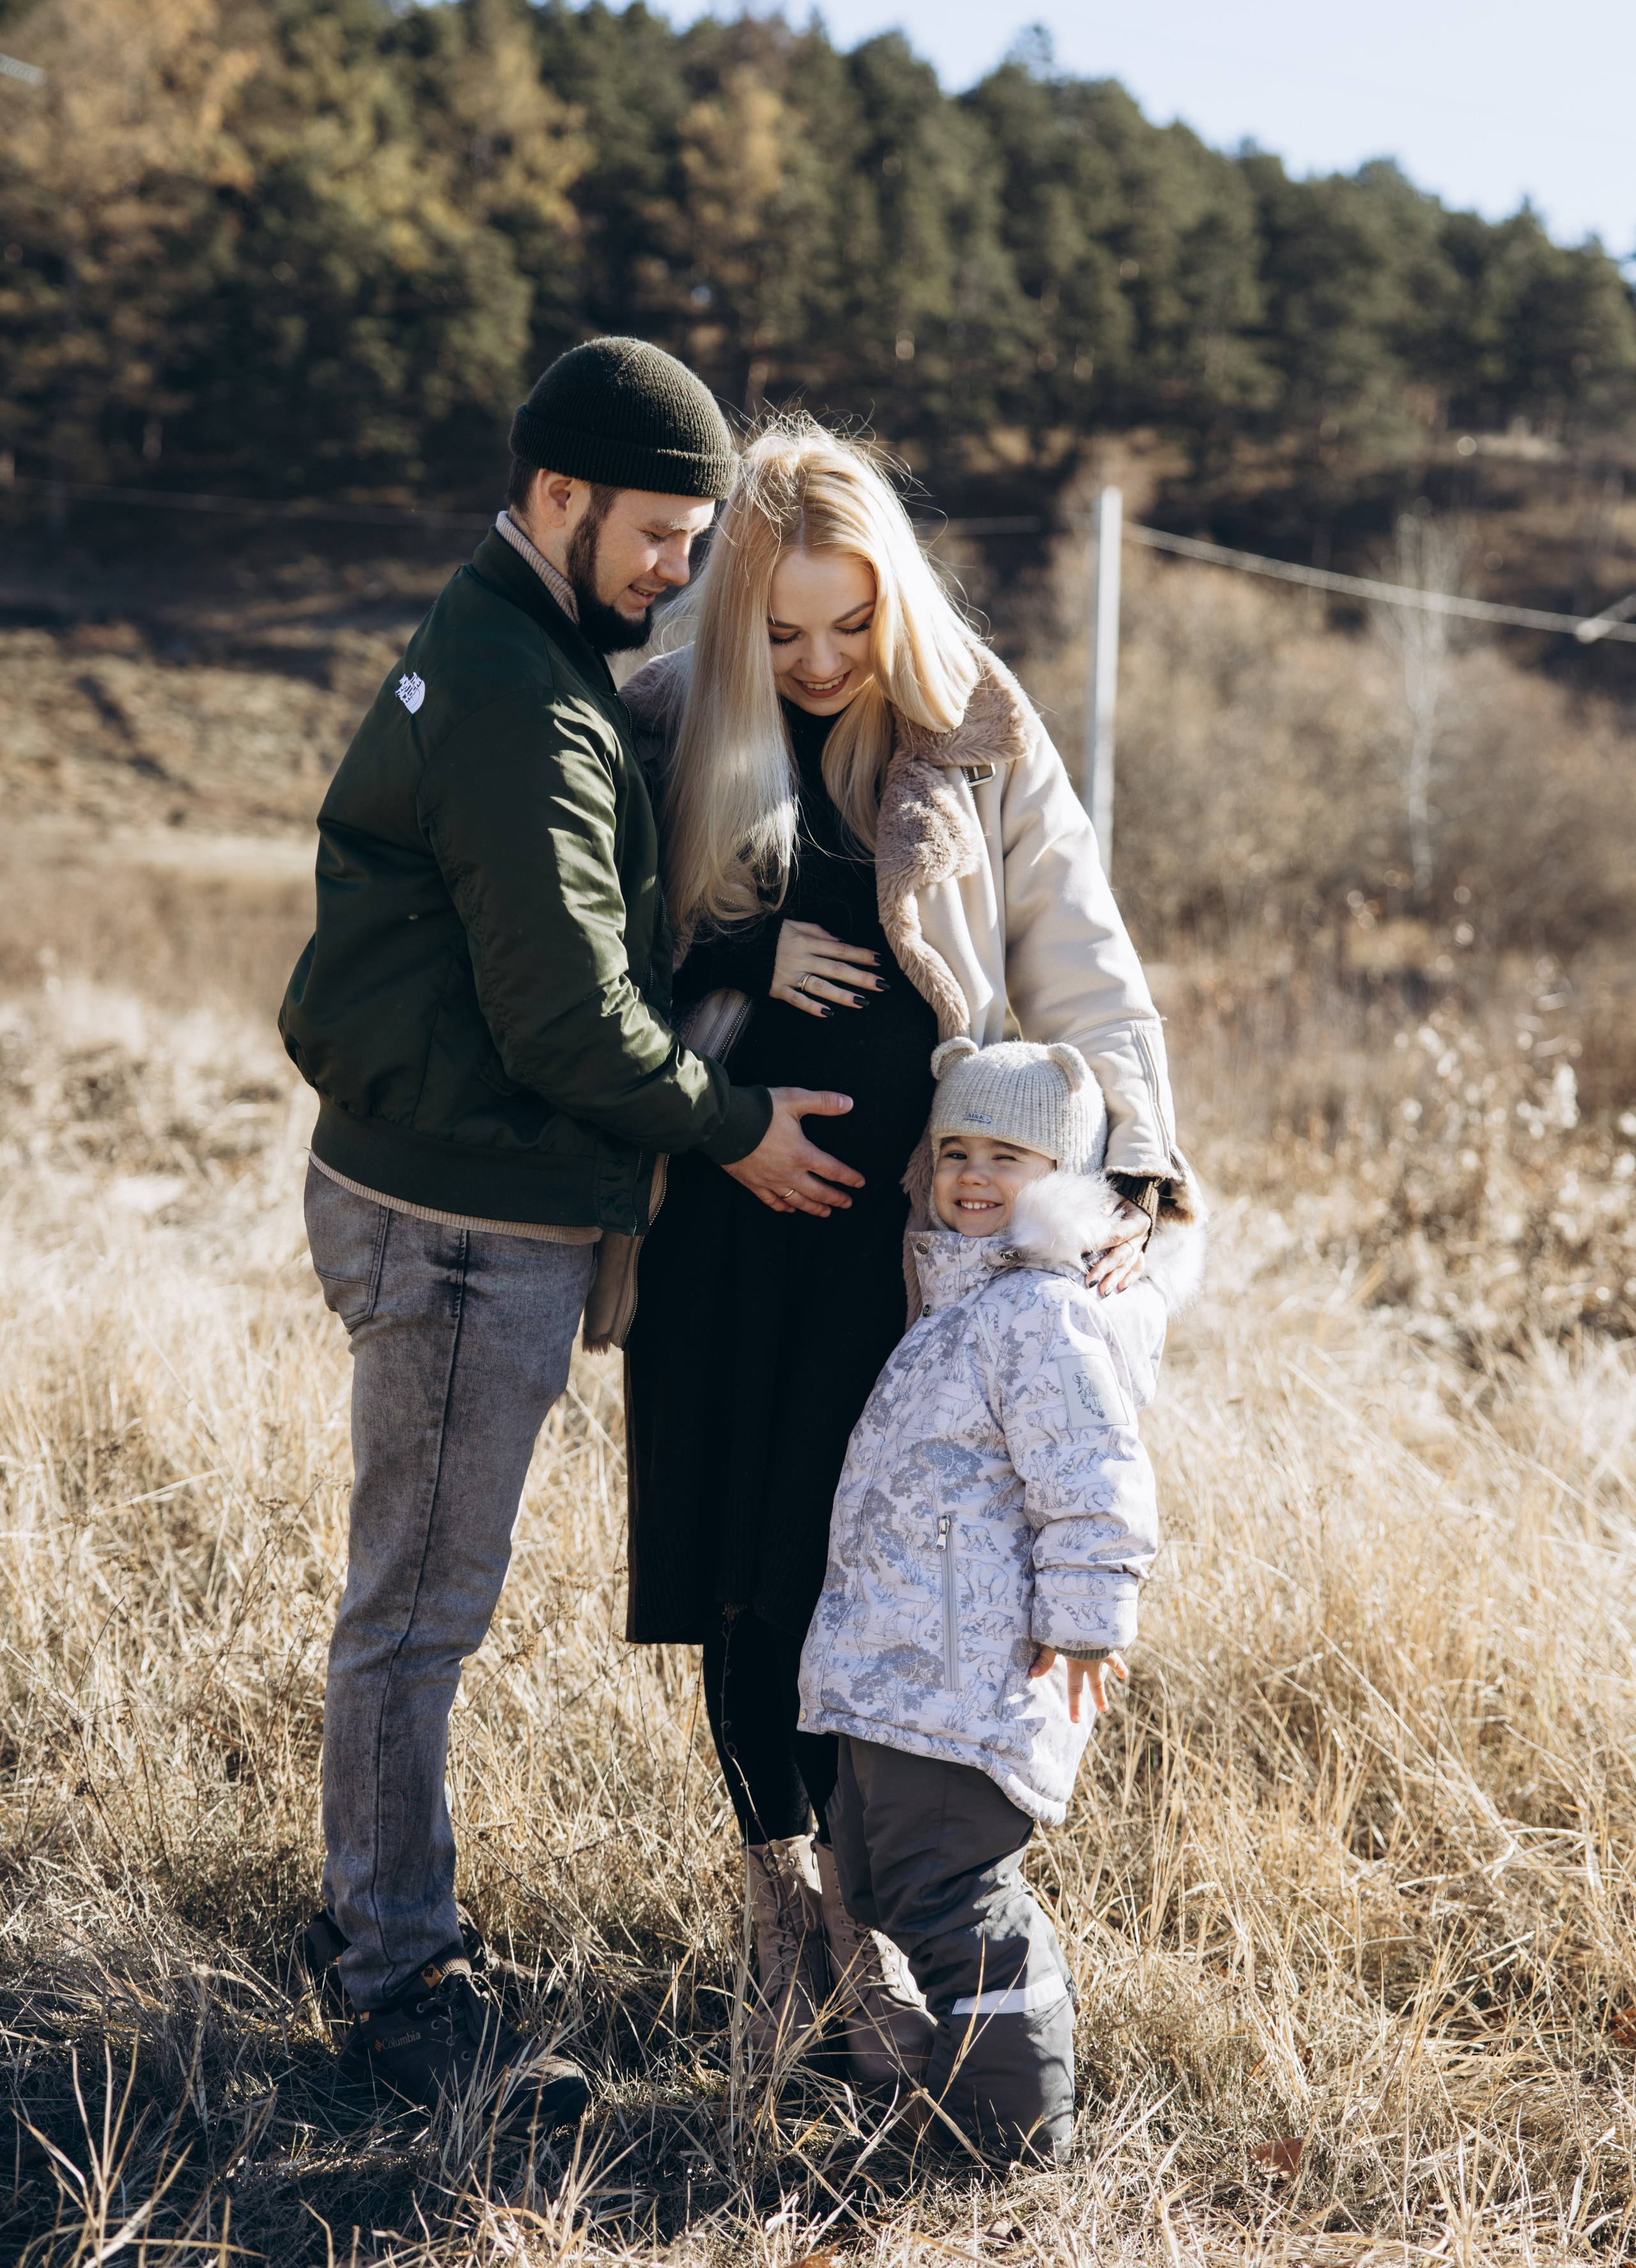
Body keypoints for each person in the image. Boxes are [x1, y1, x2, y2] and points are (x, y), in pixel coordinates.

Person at [277, 341, 865, 2122]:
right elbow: (566, 1026)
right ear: (559, 497)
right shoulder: (528, 704)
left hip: (445, 1188)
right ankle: (395, 1987)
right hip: (461, 1225)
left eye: (695, 541)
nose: (678, 573)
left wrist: (739, 961)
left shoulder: (510, 643)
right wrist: (741, 1124)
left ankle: (378, 1924)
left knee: (412, 1603)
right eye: (661, 536)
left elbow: (568, 939)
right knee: (417, 1617)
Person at [617, 421, 1198, 2083]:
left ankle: (889, 1920)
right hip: (726, 1225)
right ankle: (778, 1922)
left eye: (844, 627)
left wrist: (1133, 1185)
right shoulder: (666, 717)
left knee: (866, 1576)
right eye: (777, 632)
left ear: (897, 602)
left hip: (912, 1257)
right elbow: (587, 964)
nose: (812, 664)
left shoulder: (977, 726)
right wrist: (736, 950)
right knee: (738, 1572)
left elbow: (1088, 977)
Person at [799, 1038, 1203, 2160]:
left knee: (953, 1901)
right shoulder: (956, 1304)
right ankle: (965, 2095)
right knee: (892, 1887)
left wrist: (1085, 1624)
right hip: (900, 1678)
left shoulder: (1041, 1312)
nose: (975, 1175)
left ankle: (1012, 2141)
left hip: (974, 1680)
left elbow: (1095, 1482)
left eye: (1010, 1155)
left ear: (1067, 1179)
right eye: (955, 1150)